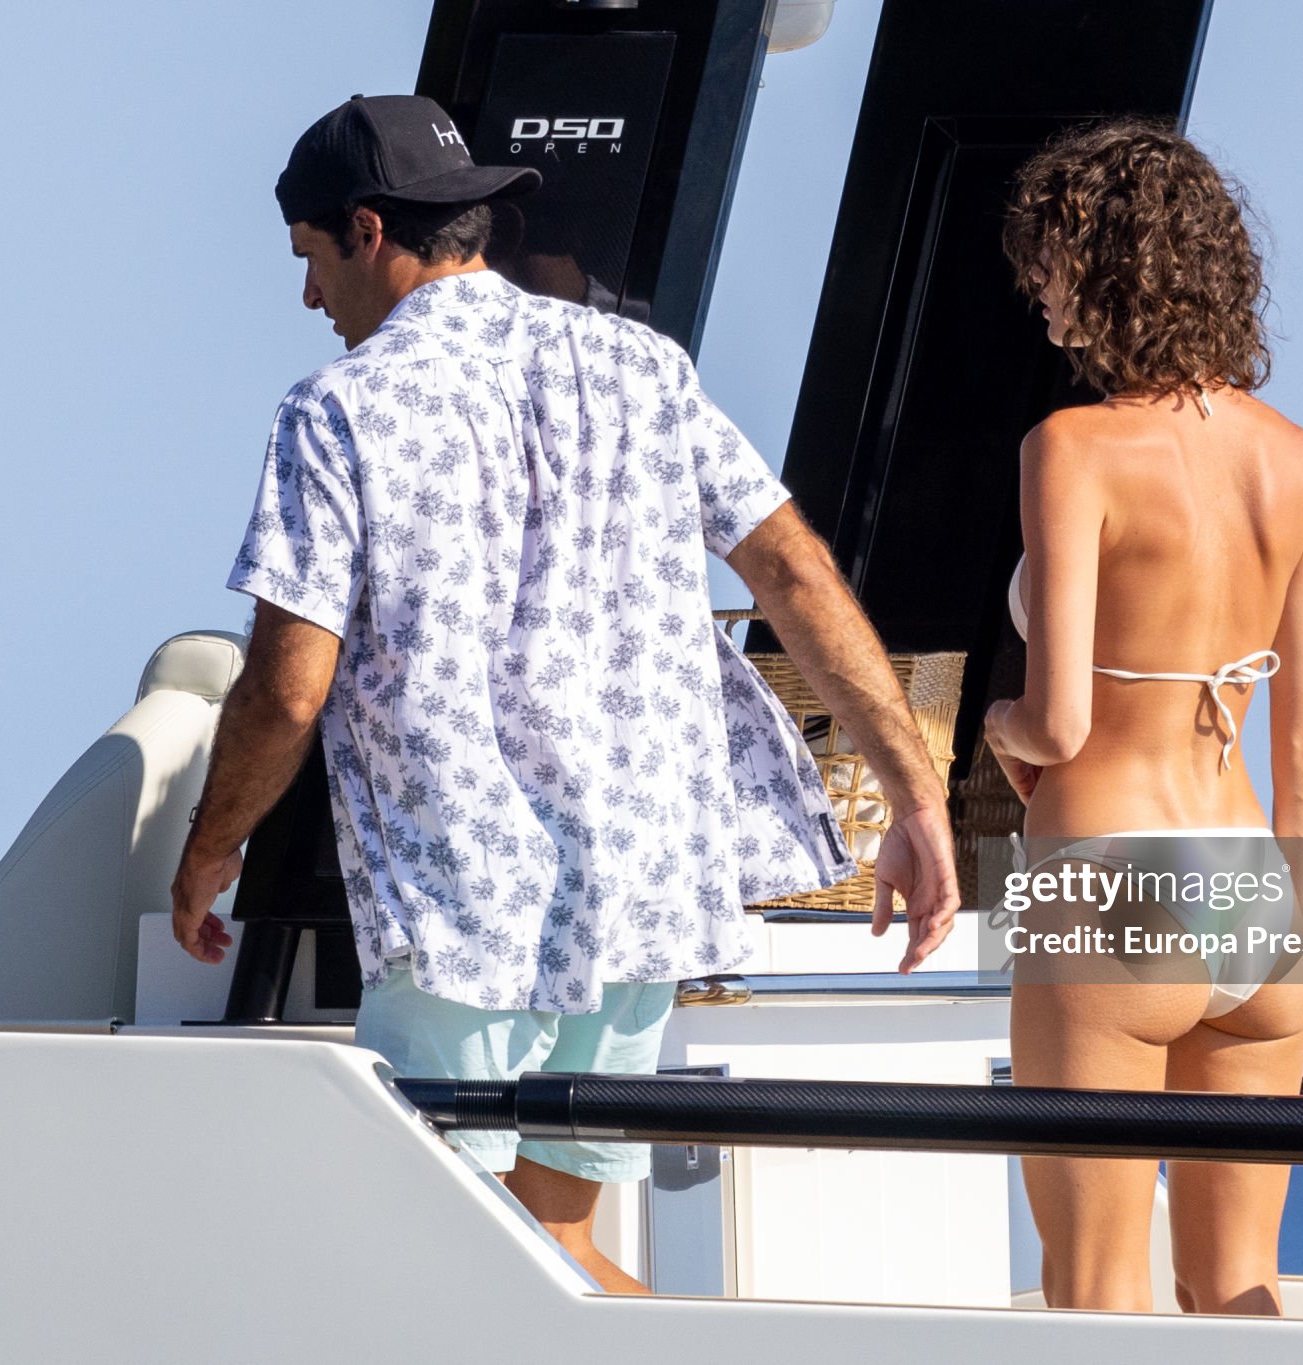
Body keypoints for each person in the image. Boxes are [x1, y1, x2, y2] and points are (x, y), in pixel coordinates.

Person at [167, 94, 959, 1292]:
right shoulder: (640, 367)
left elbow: (287, 686)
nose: (308, 299)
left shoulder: (337, 409)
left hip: (461, 908)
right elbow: (791, 569)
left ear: (367, 230)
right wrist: (916, 798)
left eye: (310, 260)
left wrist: (209, 843)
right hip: (639, 889)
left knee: (432, 1265)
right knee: (557, 1252)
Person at [984, 119, 1303, 1314]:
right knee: (1239, 1291)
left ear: (1114, 266)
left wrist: (993, 728)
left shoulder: (1071, 447)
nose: (1035, 287)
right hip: (1253, 887)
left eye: (1050, 258)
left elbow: (1061, 723)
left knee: (1092, 1296)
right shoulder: (1294, 460)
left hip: (1113, 876)